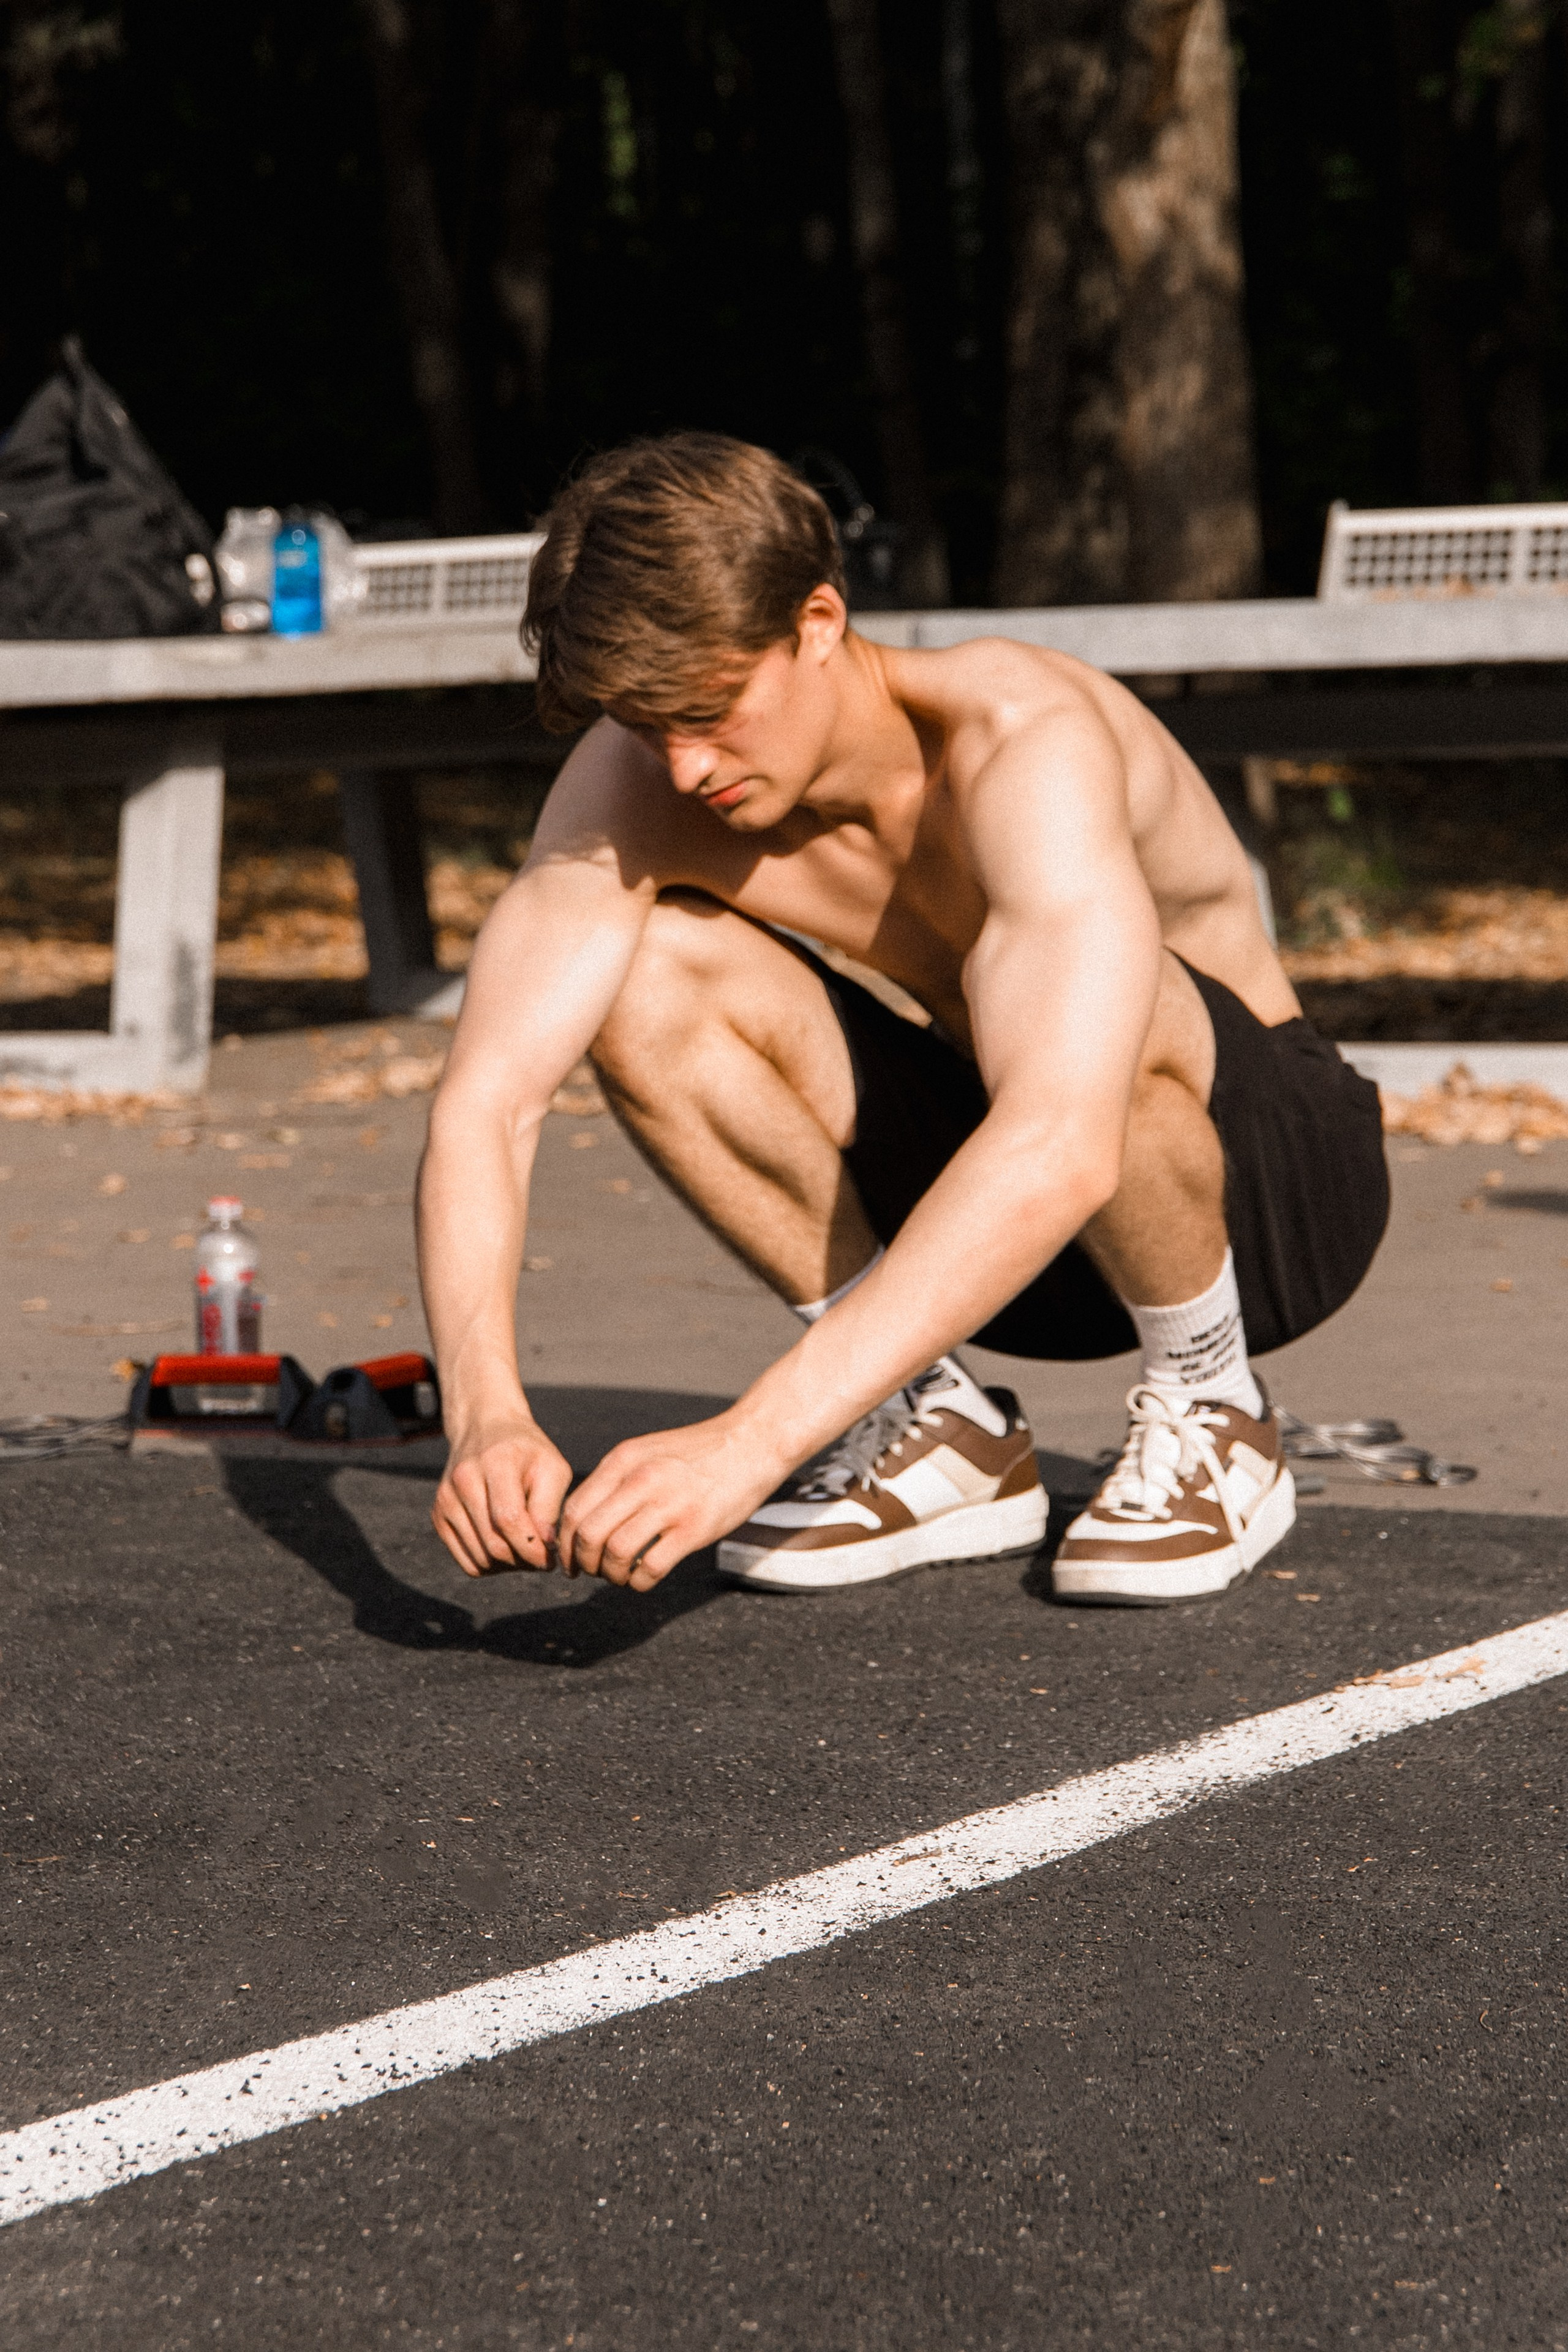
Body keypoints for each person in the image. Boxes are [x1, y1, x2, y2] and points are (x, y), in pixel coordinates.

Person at [418, 433, 1389, 1606]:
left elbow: (1065, 1136)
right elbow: (490, 1102)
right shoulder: (639, 785)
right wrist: (485, 1417)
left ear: (817, 622)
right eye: (644, 724)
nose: (683, 770)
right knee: (644, 969)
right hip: (1011, 1226)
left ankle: (1213, 1403)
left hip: (1269, 1200)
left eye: (709, 710)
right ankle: (931, 1420)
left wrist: (752, 1438)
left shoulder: (1023, 739)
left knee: (1087, 999)